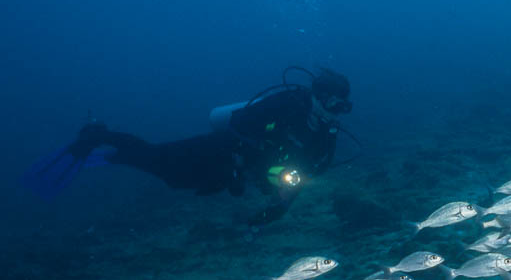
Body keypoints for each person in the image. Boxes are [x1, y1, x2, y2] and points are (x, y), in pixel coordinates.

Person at [26, 67, 352, 224]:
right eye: (334, 103)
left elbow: (313, 169)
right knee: (159, 160)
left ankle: (111, 155)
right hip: (218, 150)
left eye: (342, 106)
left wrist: (277, 210)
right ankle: (100, 136)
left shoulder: (325, 129)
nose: (337, 111)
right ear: (321, 95)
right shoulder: (288, 103)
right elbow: (240, 123)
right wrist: (251, 157)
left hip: (235, 172)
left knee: (177, 183)